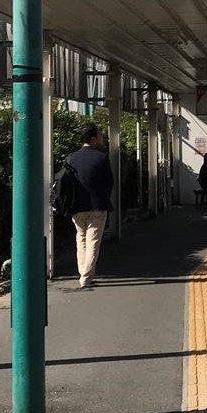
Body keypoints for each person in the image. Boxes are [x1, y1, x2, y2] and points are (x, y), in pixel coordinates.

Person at [65, 123, 115, 289]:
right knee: (93, 240)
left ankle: (83, 272)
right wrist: (104, 196)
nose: (101, 137)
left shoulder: (71, 158)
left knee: (81, 238)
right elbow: (110, 182)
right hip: (97, 206)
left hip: (77, 206)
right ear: (93, 139)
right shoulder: (101, 158)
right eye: (100, 135)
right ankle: (86, 277)